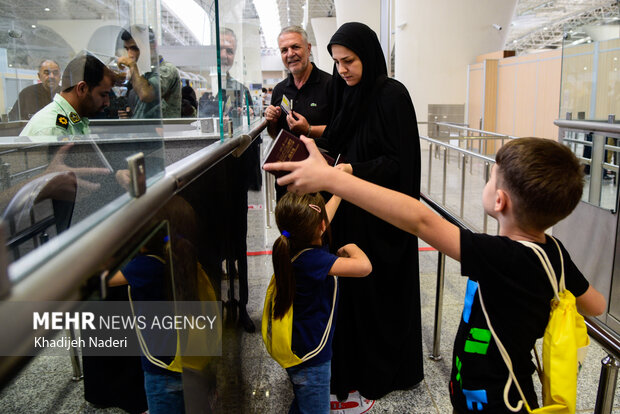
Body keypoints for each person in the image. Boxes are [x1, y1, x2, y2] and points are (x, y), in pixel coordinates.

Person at [264, 136, 607, 413]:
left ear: (500, 201)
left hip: (491, 399)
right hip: (513, 389)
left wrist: (330, 178)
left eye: (490, 177)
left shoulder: (499, 256)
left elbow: (419, 220)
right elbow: (595, 304)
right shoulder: (555, 254)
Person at [306, 22, 424, 402]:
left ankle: (381, 372)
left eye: (350, 61)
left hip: (382, 216)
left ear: (368, 56)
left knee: (379, 297)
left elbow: (398, 162)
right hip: (350, 210)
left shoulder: (391, 95)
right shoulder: (346, 90)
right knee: (353, 297)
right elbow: (340, 137)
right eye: (337, 62)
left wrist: (353, 171)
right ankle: (351, 367)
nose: (342, 69)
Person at [272, 191, 371, 414]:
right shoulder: (314, 261)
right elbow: (364, 267)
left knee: (302, 402)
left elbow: (324, 216)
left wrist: (339, 192)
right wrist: (351, 247)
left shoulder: (293, 247)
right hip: (312, 359)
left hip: (298, 349)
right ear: (321, 227)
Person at [264, 25, 332, 201]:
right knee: (287, 228)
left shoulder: (330, 85)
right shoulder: (279, 90)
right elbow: (275, 134)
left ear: (308, 48)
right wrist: (272, 121)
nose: (290, 54)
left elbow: (341, 131)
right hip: (288, 179)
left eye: (295, 47)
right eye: (284, 50)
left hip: (321, 179)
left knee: (321, 227)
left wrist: (308, 129)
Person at [20, 54, 114, 138]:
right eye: (103, 95)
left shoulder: (76, 119)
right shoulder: (53, 129)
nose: (107, 103)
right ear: (82, 89)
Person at [118, 27, 181, 118]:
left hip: (163, 131)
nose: (130, 55)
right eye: (127, 49)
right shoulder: (145, 74)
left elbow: (146, 94)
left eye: (135, 48)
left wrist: (132, 65)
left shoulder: (167, 69)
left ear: (152, 46)